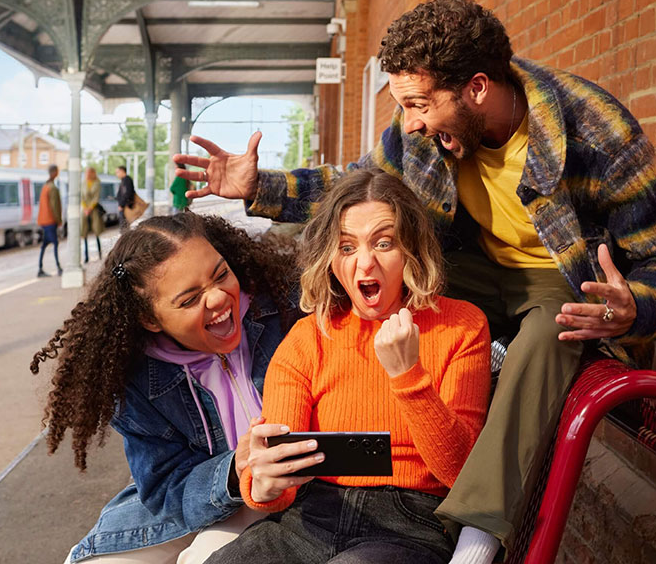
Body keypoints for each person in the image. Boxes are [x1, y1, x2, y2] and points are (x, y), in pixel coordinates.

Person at [175, 0, 656, 563]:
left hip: (560, 279)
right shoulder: (423, 134)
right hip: (469, 270)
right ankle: (474, 368)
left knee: (556, 328)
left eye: (419, 105)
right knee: (384, 270)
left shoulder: (596, 134)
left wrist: (635, 307)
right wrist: (262, 188)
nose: (411, 123)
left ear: (477, 88)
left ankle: (477, 534)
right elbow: (358, 190)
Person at [205, 169, 491, 564]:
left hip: (409, 525)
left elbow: (460, 473)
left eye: (384, 243)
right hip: (310, 515)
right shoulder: (308, 337)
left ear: (411, 248)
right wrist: (265, 481)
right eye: (346, 247)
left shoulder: (461, 325)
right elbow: (277, 475)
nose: (365, 263)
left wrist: (408, 377)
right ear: (331, 260)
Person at [30, 212, 301, 564]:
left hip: (299, 490)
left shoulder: (287, 309)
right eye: (189, 300)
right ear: (150, 319)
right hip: (210, 497)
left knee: (206, 556)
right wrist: (237, 467)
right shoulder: (134, 378)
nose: (218, 299)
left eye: (221, 275)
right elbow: (166, 491)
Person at [37, 164, 63, 277]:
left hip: (44, 220)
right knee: (55, 243)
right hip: (50, 220)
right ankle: (58, 268)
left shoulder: (45, 186)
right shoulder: (52, 188)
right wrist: (59, 220)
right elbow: (54, 206)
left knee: (45, 244)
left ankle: (40, 268)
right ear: (55, 172)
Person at [81, 167, 106, 262]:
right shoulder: (83, 183)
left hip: (94, 210)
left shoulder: (97, 183)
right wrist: (85, 208)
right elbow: (81, 197)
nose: (87, 174)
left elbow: (96, 197)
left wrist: (90, 208)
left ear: (92, 173)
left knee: (96, 232)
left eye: (89, 172)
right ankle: (86, 257)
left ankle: (100, 254)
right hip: (84, 210)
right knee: (84, 232)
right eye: (86, 172)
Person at [116, 165, 136, 232]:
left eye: (117, 172)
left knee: (124, 226)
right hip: (125, 206)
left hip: (126, 207)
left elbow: (127, 193)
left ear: (122, 171)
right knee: (124, 226)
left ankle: (126, 240)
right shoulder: (124, 180)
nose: (117, 174)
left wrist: (121, 205)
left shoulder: (127, 180)